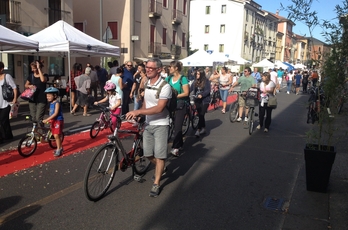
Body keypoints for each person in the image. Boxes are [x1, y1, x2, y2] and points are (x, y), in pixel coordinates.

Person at [126, 58, 171, 198]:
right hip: (149, 124)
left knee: (159, 154)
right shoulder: (146, 82)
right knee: (147, 153)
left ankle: (156, 183)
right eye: (147, 67)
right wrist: (141, 114)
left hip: (161, 124)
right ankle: (160, 167)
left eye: (151, 68)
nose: (148, 69)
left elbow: (159, 108)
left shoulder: (165, 86)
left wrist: (138, 112)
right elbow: (146, 102)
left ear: (159, 69)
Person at [166, 60, 190, 157]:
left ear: (176, 68)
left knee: (177, 126)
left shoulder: (183, 79)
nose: (169, 68)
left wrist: (174, 96)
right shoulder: (168, 78)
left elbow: (186, 93)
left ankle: (175, 148)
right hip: (170, 104)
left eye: (170, 67)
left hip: (181, 104)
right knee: (172, 125)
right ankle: (180, 144)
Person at [43, 87, 64, 156]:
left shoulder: (57, 103)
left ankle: (59, 149)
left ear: (55, 96)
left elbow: (56, 113)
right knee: (55, 135)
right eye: (47, 96)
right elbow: (51, 113)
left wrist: (47, 119)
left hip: (58, 120)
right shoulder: (51, 103)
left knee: (56, 135)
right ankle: (60, 147)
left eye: (49, 96)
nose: (47, 97)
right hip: (53, 120)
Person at [0, 61, 18, 144]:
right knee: (5, 121)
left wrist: (15, 98)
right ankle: (8, 135)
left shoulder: (7, 76)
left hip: (6, 102)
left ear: (2, 69)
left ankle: (2, 137)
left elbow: (14, 87)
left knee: (2, 120)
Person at [190, 68, 210, 137]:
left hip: (205, 100)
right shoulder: (195, 81)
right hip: (197, 100)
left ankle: (198, 130)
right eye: (196, 74)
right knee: (200, 115)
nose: (197, 75)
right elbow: (191, 88)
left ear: (201, 74)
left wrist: (202, 95)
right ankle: (203, 128)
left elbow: (208, 90)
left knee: (201, 114)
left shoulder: (206, 81)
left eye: (198, 74)